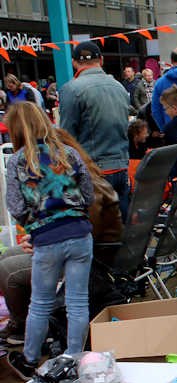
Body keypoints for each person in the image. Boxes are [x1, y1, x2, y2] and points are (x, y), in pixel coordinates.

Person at [0, 127, 124, 347]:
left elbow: (82, 232)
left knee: (8, 270)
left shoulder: (84, 185)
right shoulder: (78, 175)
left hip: (93, 259)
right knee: (8, 255)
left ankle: (25, 328)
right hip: (86, 247)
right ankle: (29, 320)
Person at [3, 103, 95, 379]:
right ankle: (73, 360)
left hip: (47, 238)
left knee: (40, 303)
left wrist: (34, 225)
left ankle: (30, 359)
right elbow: (88, 195)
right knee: (77, 302)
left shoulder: (17, 161)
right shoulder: (67, 153)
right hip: (80, 233)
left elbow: (15, 206)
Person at [59, 41, 130, 222]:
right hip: (121, 166)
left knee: (97, 230)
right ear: (101, 60)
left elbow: (66, 137)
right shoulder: (119, 87)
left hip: (93, 170)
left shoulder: (72, 89)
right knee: (121, 227)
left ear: (74, 62)